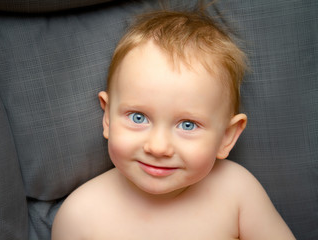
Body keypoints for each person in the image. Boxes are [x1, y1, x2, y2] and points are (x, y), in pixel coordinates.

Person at [52, 8, 295, 240]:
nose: (158, 148)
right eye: (138, 117)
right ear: (107, 118)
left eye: (188, 125)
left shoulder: (238, 192)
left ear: (226, 137)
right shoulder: (80, 215)